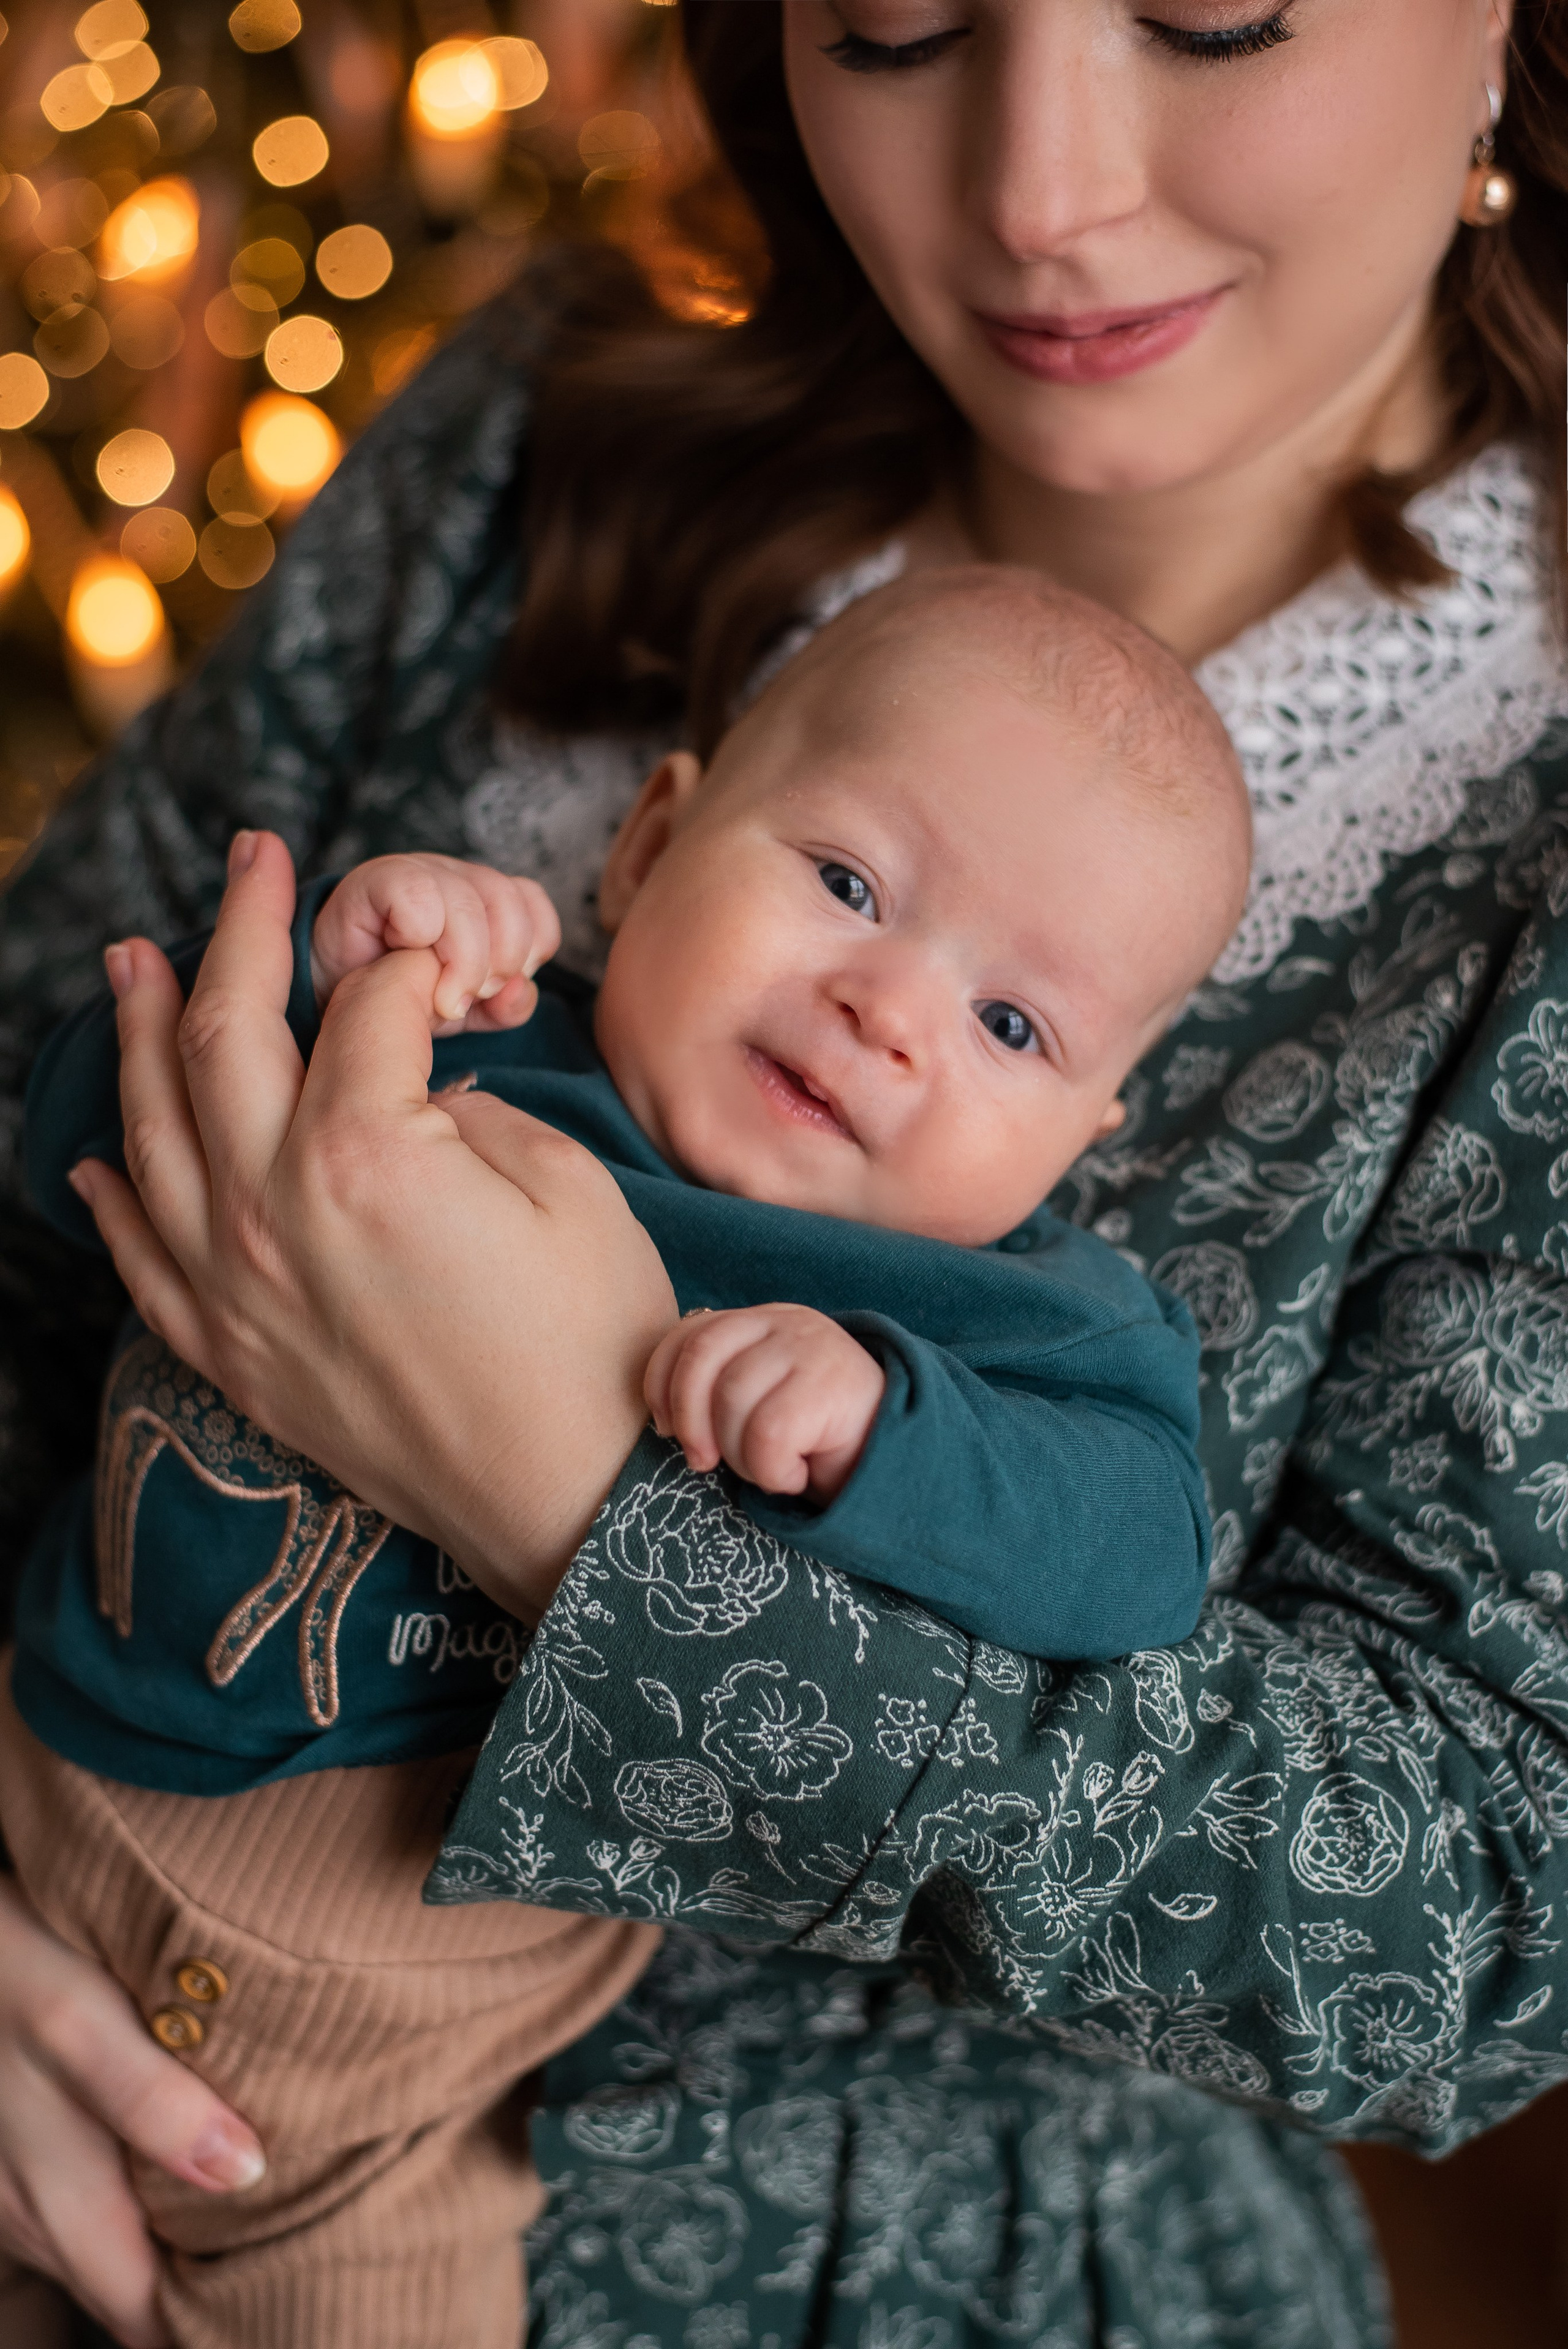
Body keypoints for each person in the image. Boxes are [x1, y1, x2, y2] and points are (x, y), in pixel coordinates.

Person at [0, 2, 1564, 2344]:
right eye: (900, 23)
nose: (1038, 195)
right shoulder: (562, 413)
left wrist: (572, 1475)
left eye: (1215, 10)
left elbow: (1470, 1919)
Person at [3, 571, 1243, 2345]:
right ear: (654, 840)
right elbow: (70, 1150)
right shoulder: (461, 1036)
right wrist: (310, 986)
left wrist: (897, 1425)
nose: (891, 1008)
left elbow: (1144, 1548)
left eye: (1014, 1026)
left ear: (1089, 1122)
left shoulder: (1000, 1321)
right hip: (33, 1815)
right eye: (847, 884)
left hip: (388, 2110)